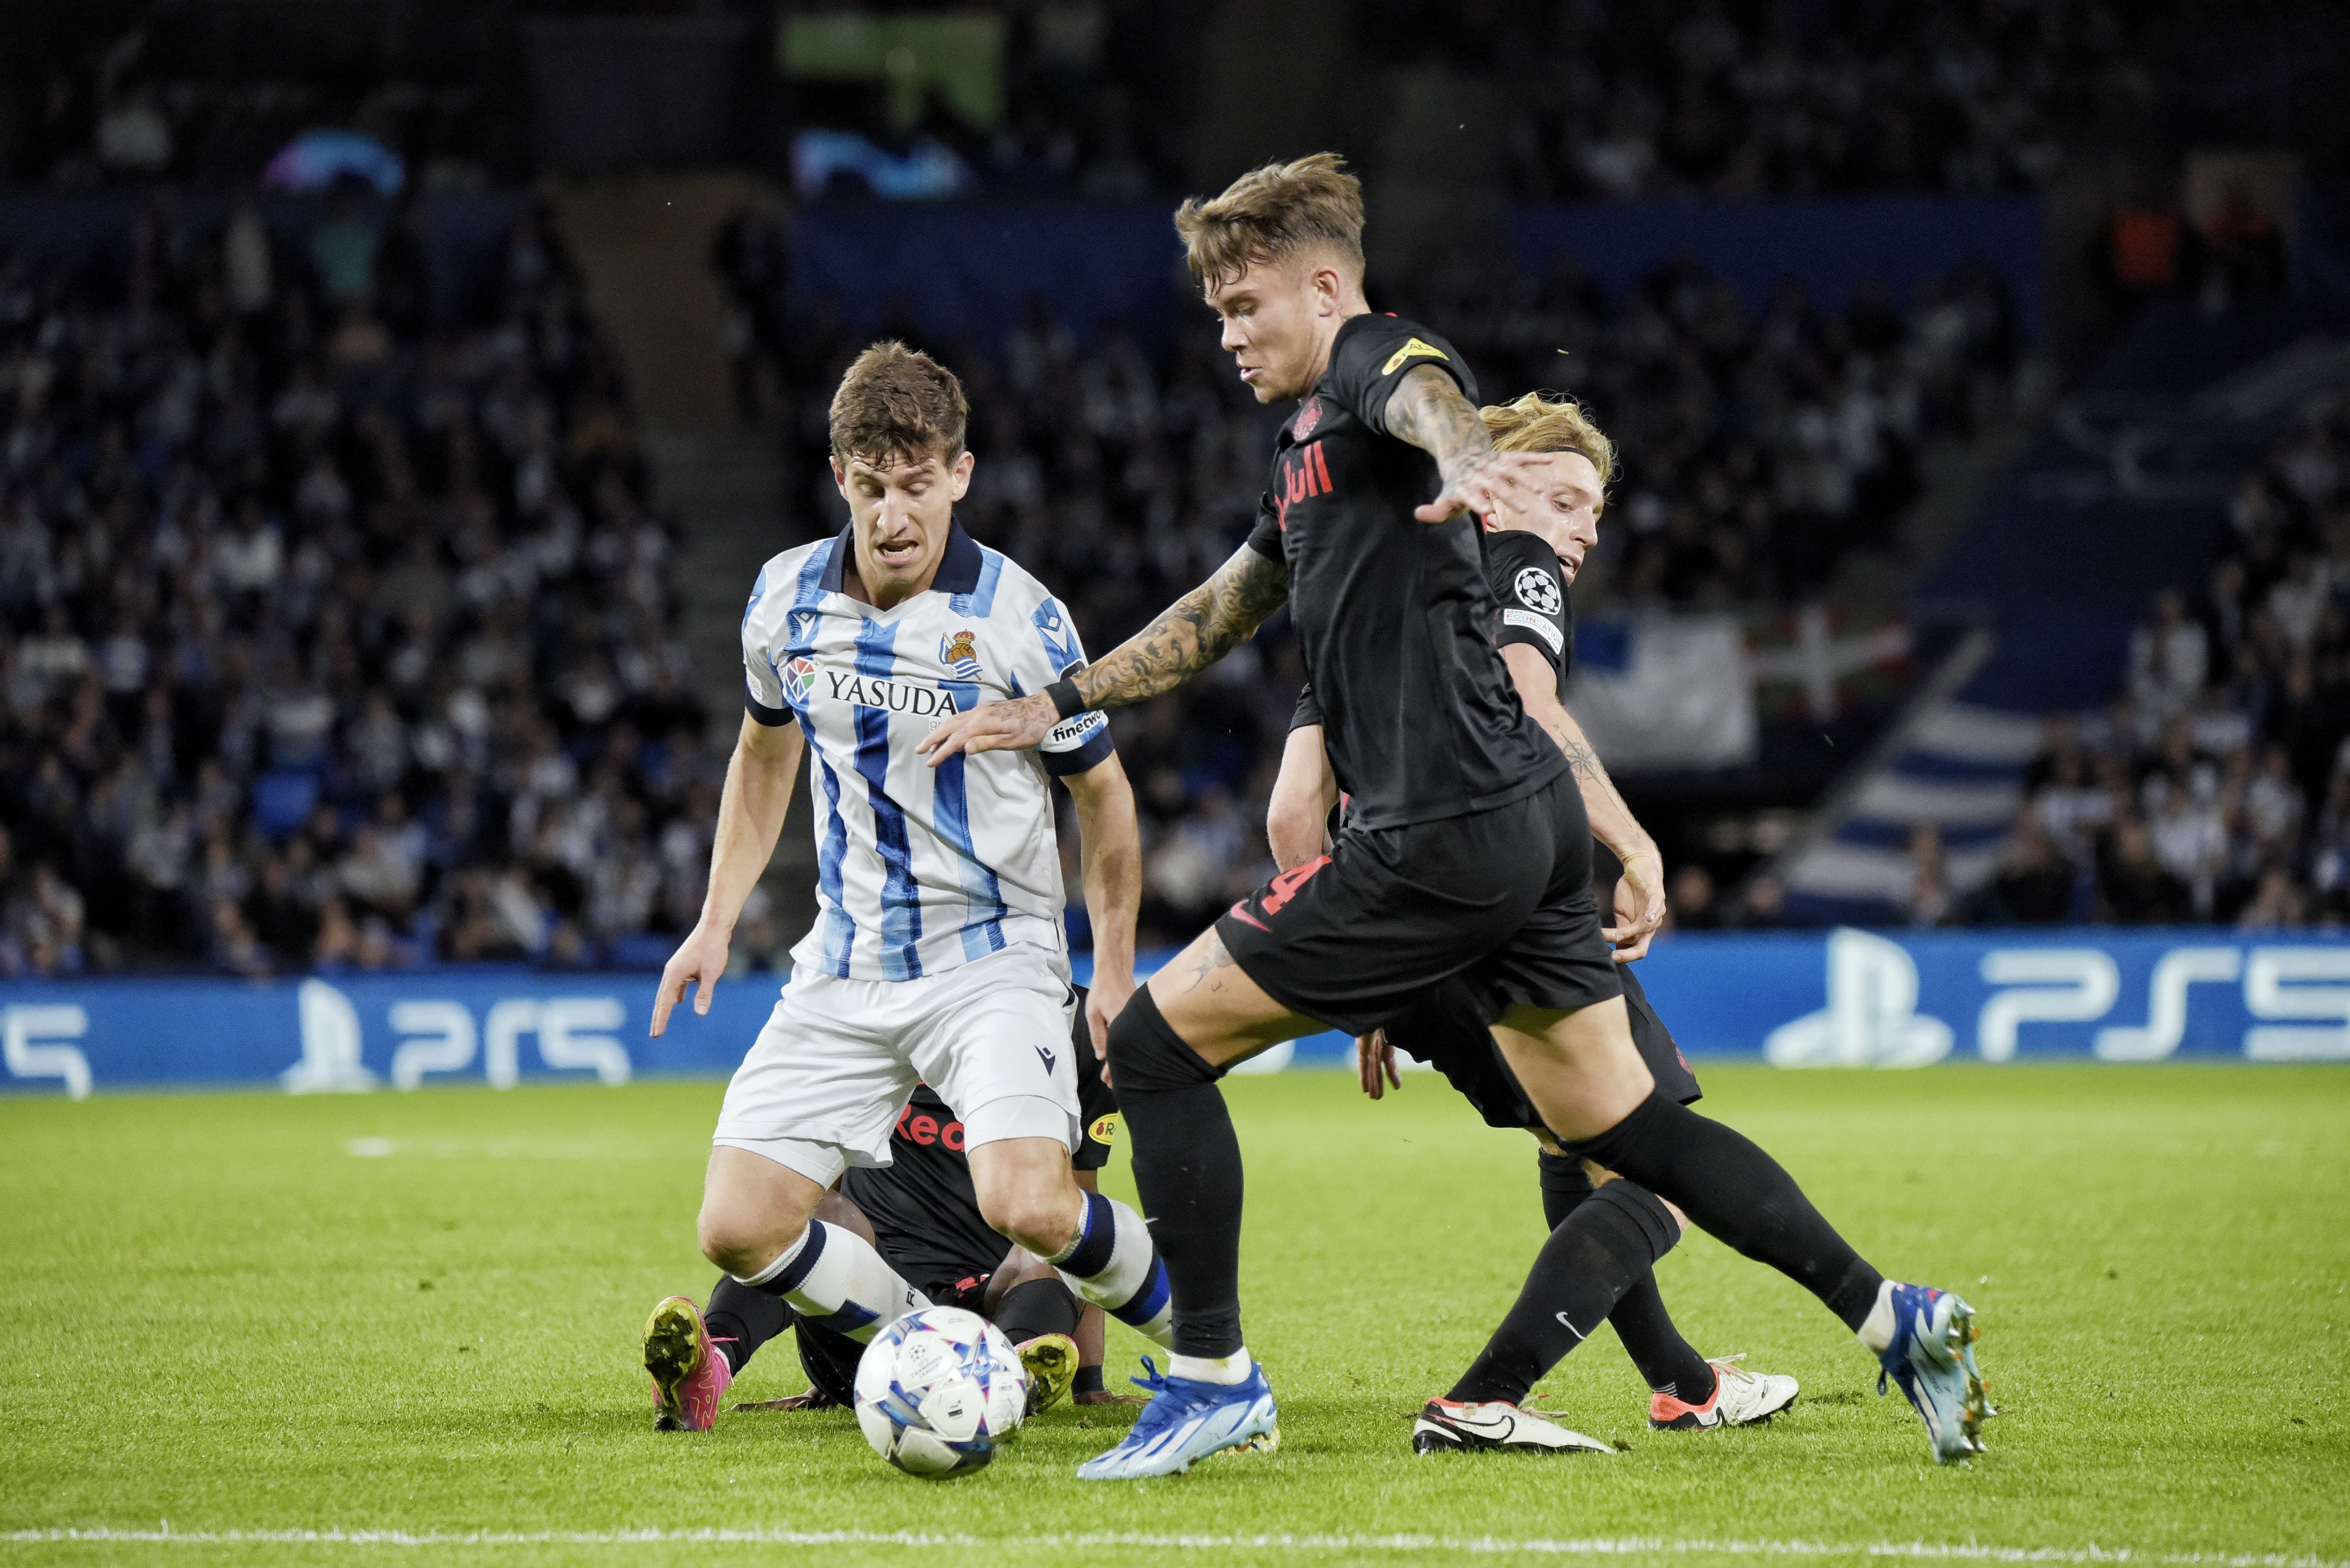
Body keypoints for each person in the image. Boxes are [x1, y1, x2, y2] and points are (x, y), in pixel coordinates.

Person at [921, 155, 1990, 1477]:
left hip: (1434, 833)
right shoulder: (1304, 449)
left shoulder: (1376, 361)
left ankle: (1210, 1378)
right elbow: (1222, 608)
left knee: (1152, 1046)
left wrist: (1471, 455)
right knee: (1626, 1133)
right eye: (1216, 313)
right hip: (1522, 828)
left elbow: (1427, 391)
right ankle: (1895, 1318)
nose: (1229, 334)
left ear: (1325, 288)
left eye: (1247, 305)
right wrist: (1060, 699)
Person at [637, 342, 1175, 1434]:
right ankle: (928, 1345)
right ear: (839, 475)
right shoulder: (782, 599)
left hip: (993, 957)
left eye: (917, 484)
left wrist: (1112, 970)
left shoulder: (1020, 617)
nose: (893, 514)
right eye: (873, 485)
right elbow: (763, 756)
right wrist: (715, 919)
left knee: (1028, 1202)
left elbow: (1105, 798)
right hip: (845, 963)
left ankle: (1215, 1349)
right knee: (736, 1226)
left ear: (960, 475)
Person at [1266, 391, 1797, 1445]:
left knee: (1575, 1139)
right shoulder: (1515, 561)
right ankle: (1485, 1396)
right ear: (1493, 488)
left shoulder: (1359, 608)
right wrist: (1636, 847)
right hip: (1494, 897)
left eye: (1593, 511)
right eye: (1563, 499)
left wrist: (1362, 972)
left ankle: (1683, 1384)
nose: (1582, 529)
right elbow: (1535, 706)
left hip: (1395, 927)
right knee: (1657, 1165)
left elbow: (1292, 814)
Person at [690, 989, 1142, 1421]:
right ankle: (712, 1359)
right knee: (795, 1217)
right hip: (869, 1311)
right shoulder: (876, 996)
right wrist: (825, 1345)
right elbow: (823, 1184)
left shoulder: (1079, 1024)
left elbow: (1079, 1200)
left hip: (991, 1308)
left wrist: (1090, 1383)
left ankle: (1005, 1374)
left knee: (1061, 1235)